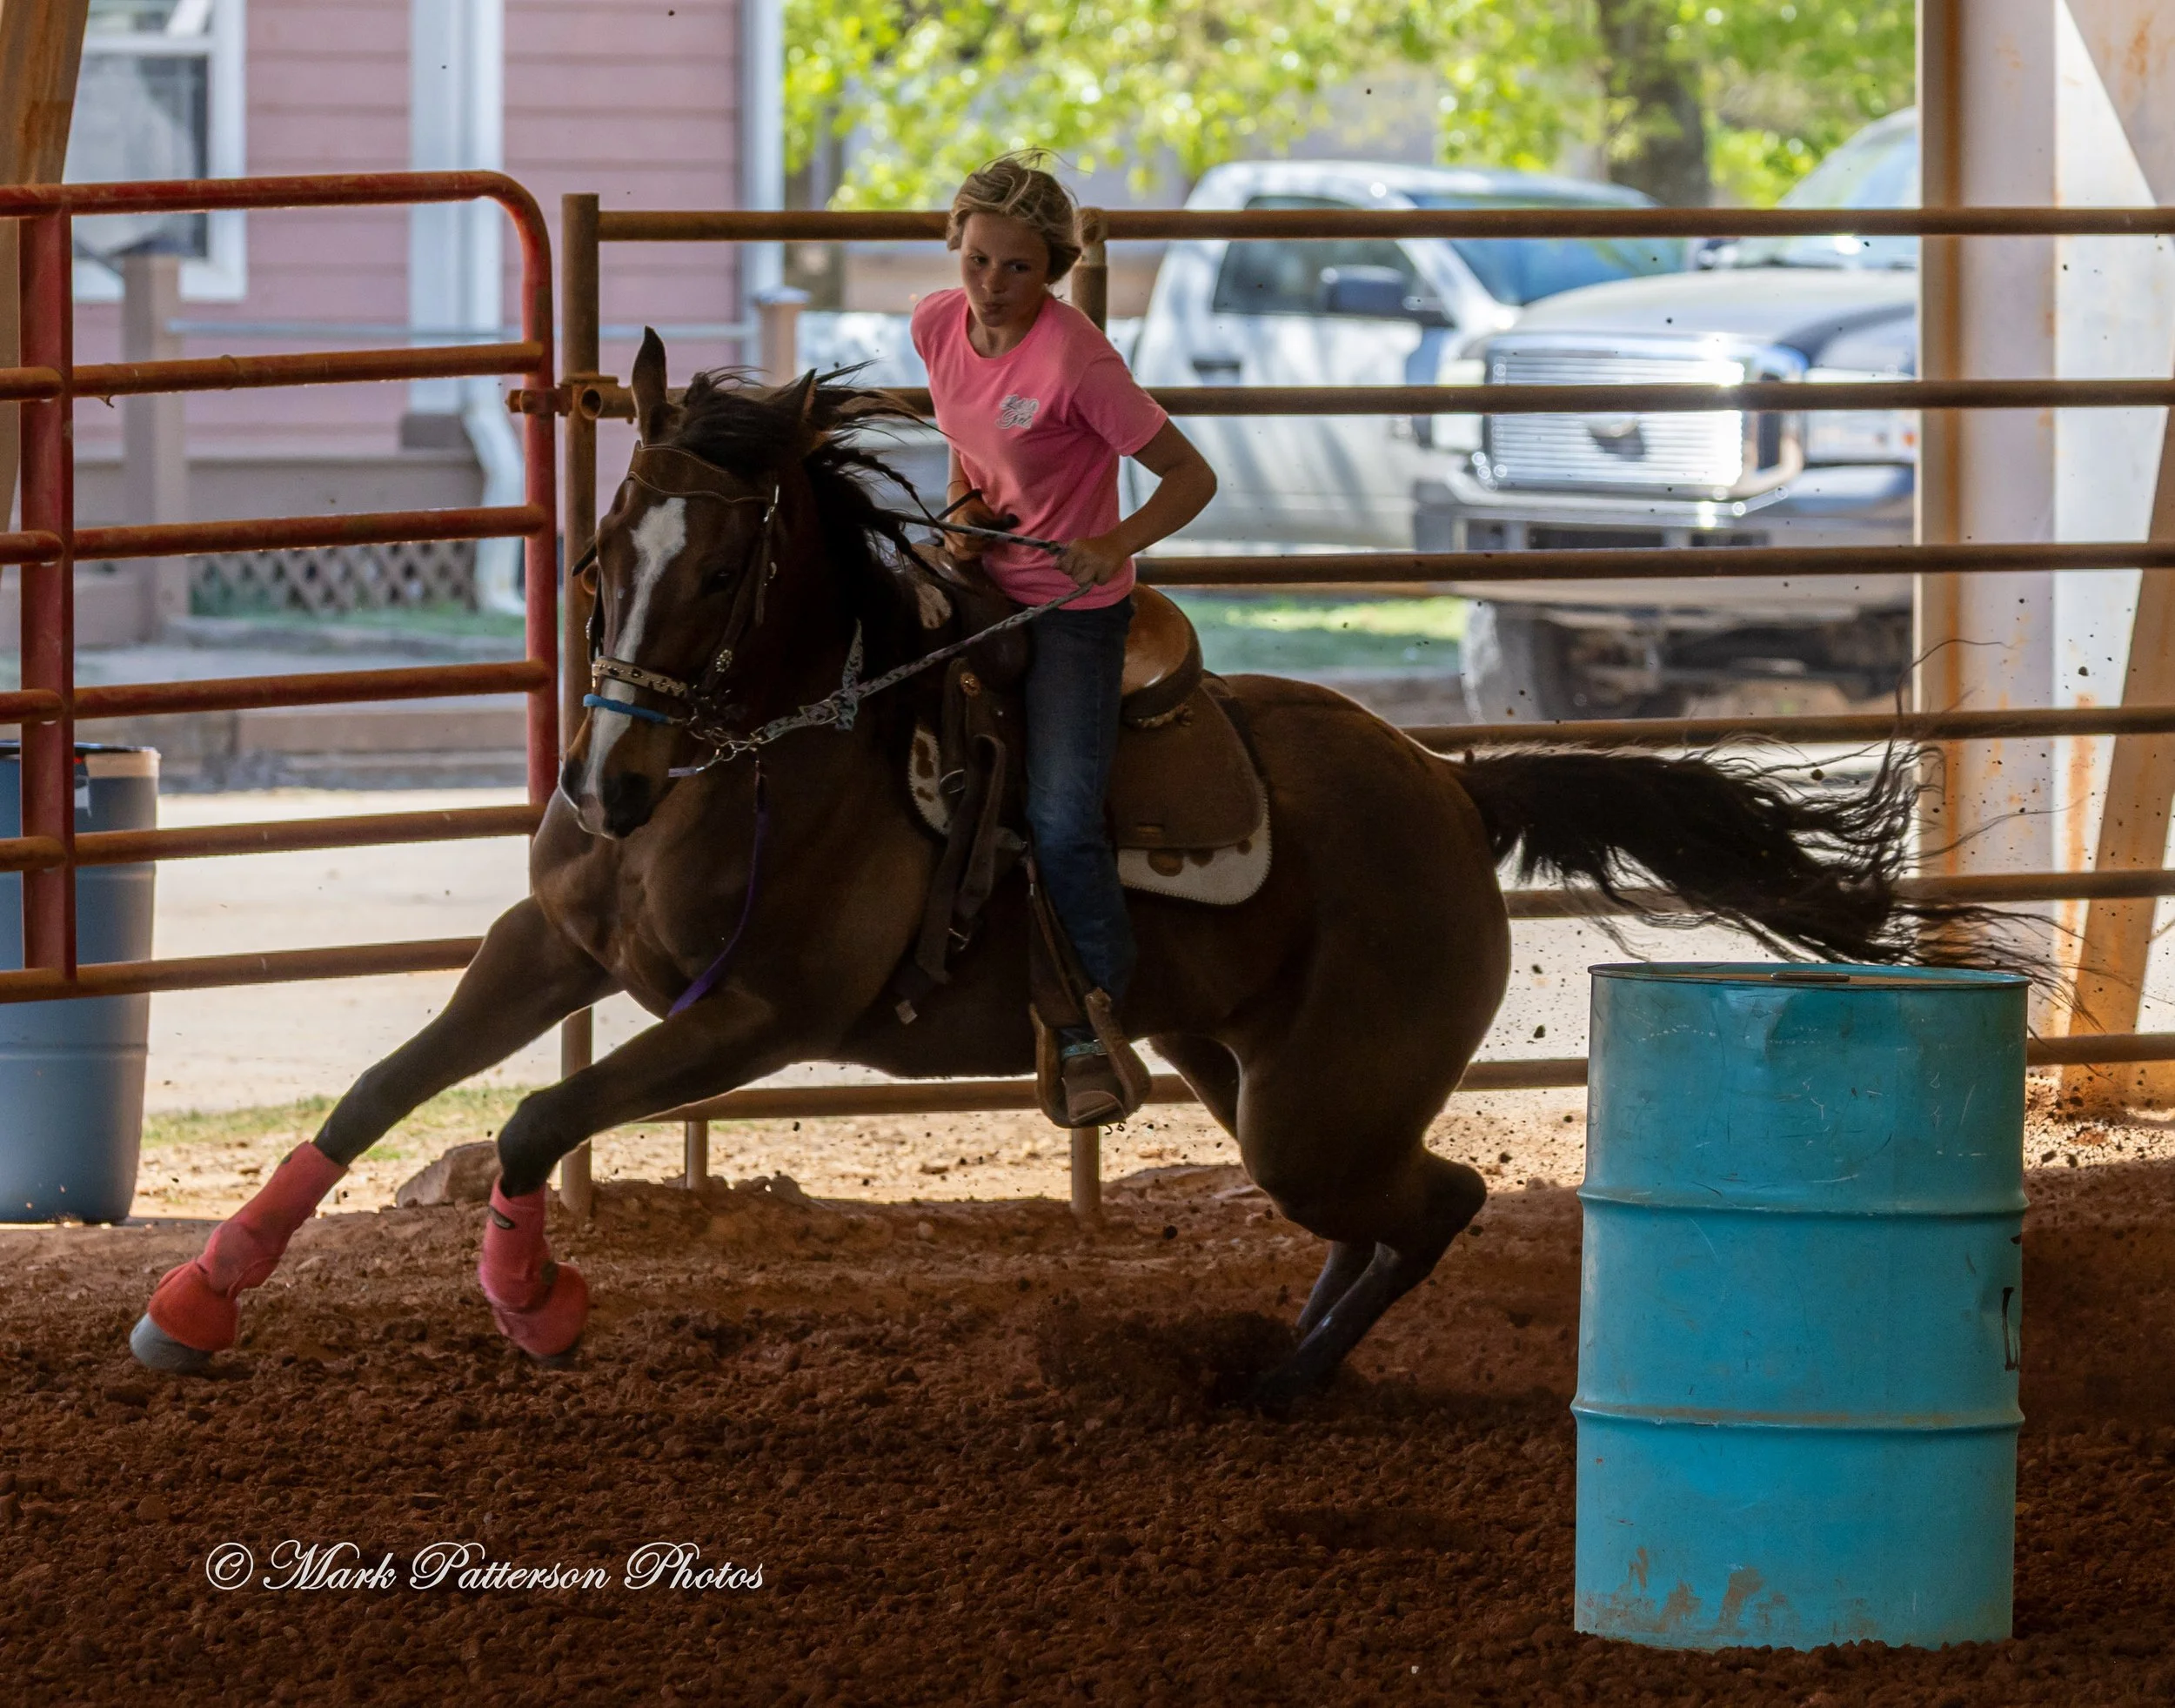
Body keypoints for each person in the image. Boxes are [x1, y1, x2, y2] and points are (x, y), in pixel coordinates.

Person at [910, 154, 1218, 1125]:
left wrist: (1112, 544)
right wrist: (962, 505)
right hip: (978, 581)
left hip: (1072, 613)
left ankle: (1094, 1013)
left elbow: (1189, 475)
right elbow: (967, 444)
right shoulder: (933, 324)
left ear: (1051, 272)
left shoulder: (1077, 359)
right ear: (956, 242)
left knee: (1060, 815)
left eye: (1019, 269)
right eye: (981, 260)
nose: (994, 285)